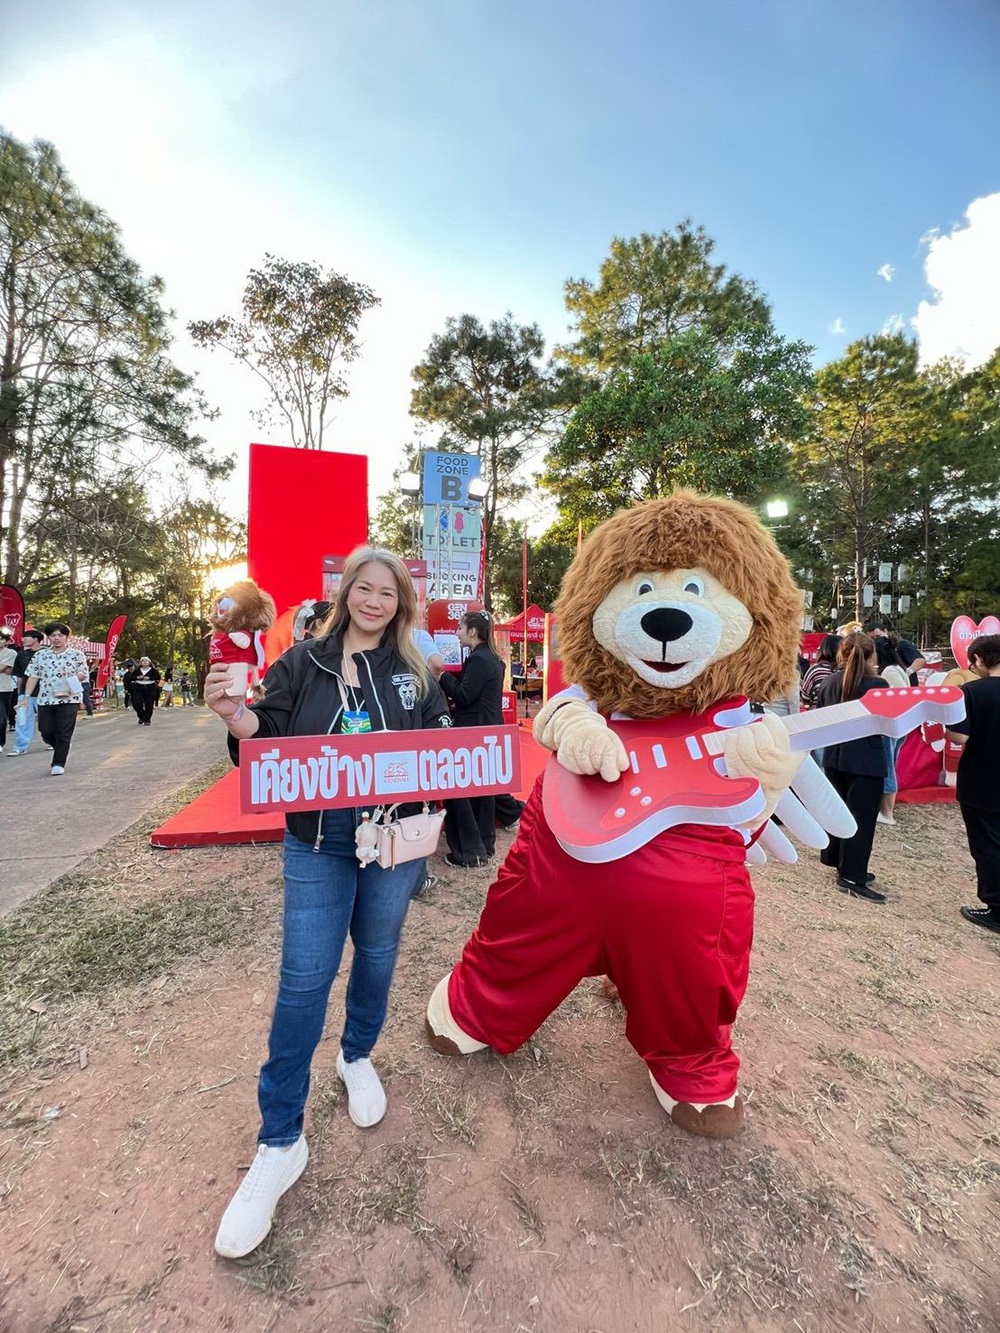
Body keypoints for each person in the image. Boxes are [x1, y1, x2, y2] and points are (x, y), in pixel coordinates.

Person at [207, 546, 451, 1261]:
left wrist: (446, 752)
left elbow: (442, 735)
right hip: (315, 841)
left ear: (401, 601)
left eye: (388, 591)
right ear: (346, 594)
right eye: (365, 588)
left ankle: (357, 1054)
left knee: (377, 952)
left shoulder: (414, 670)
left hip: (393, 840)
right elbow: (262, 732)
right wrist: (236, 717)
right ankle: (280, 1138)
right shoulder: (301, 663)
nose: (375, 601)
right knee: (304, 981)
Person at [816, 632, 889, 902]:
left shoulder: (829, 682)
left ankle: (836, 859)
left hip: (835, 757)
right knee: (861, 820)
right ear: (871, 655)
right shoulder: (878, 685)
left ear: (841, 653)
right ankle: (852, 874)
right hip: (866, 760)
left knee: (839, 811)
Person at [438, 610, 506, 868]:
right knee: (484, 790)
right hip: (487, 731)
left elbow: (464, 697)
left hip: (475, 732)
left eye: (459, 627)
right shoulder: (490, 658)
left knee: (466, 790)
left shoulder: (479, 660)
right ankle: (484, 845)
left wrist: (441, 676)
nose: (456, 633)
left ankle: (470, 850)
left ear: (472, 631)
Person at [946, 634, 1000, 935]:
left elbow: (960, 737)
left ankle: (995, 907)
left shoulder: (972, 692)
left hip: (983, 780)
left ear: (981, 660)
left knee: (988, 845)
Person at [17, 622, 89, 774]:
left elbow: (83, 674)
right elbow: (33, 676)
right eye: (53, 635)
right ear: (48, 637)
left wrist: (73, 677)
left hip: (69, 699)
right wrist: (26, 696)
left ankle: (58, 763)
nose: (56, 638)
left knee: (64, 731)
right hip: (45, 698)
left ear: (66, 637)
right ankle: (61, 746)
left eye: (60, 635)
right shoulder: (41, 655)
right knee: (46, 730)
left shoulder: (76, 654)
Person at [873, 635, 911, 825]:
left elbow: (901, 698)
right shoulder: (896, 669)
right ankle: (885, 809)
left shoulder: (889, 672)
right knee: (890, 765)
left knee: (887, 767)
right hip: (896, 726)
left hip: (891, 726)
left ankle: (887, 812)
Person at [10, 628, 44, 754]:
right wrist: (20, 693)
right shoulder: (21, 655)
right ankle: (20, 746)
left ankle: (52, 741)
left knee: (47, 722)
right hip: (25, 694)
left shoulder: (47, 653)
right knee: (22, 721)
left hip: (44, 693)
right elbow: (19, 676)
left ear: (36, 639)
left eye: (26, 637)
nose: (23, 639)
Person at [799, 634, 840, 711]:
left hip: (816, 715)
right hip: (840, 714)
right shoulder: (845, 671)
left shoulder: (815, 670)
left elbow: (805, 698)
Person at [0, 628, 16, 752]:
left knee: (1, 718)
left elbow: (4, 669)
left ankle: (0, 742)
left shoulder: (10, 653)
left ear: (6, 641)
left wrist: (4, 667)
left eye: (1, 639)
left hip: (3, 689)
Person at [130, 657, 161, 725]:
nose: (144, 662)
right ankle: (142, 716)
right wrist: (137, 677)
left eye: (146, 661)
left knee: (149, 705)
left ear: (149, 662)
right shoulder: (137, 670)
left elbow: (158, 677)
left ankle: (147, 720)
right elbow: (131, 678)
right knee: (136, 703)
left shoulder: (154, 670)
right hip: (139, 688)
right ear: (140, 663)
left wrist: (149, 678)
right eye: (142, 661)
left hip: (150, 688)